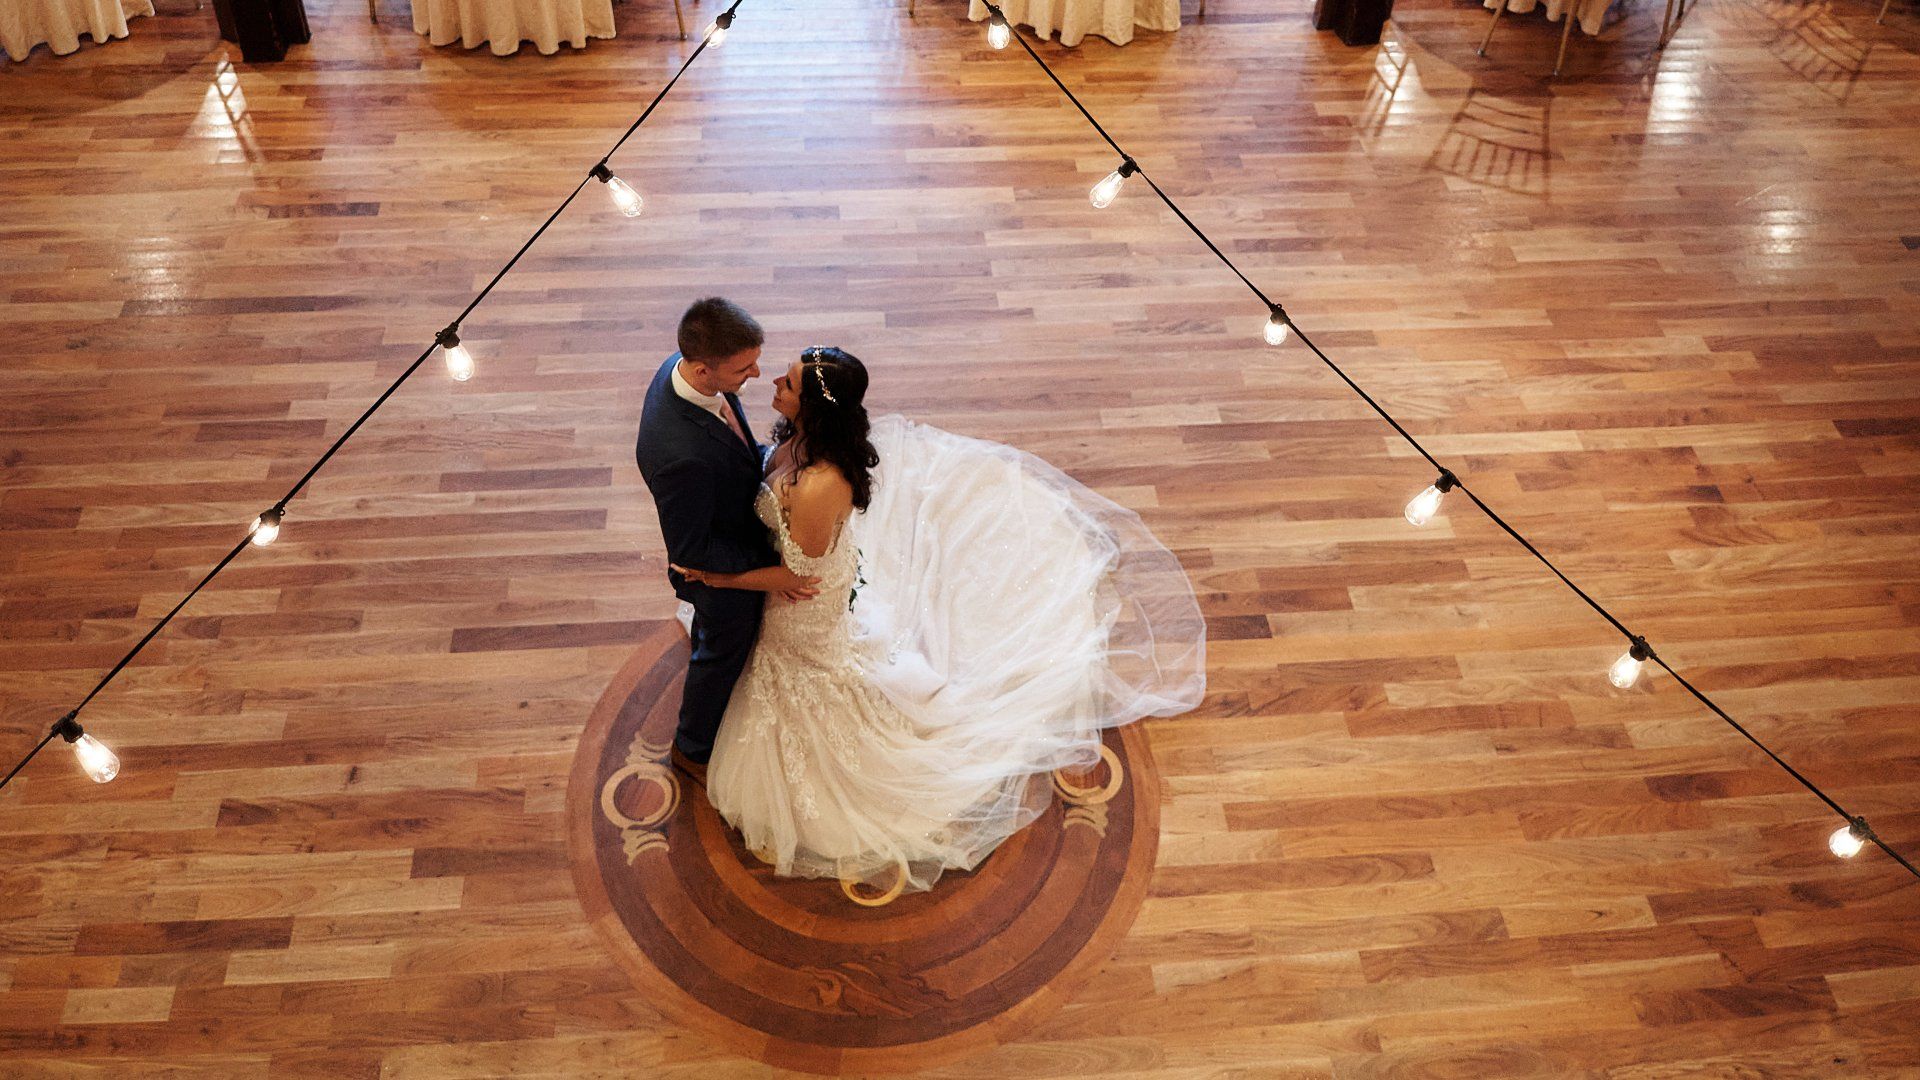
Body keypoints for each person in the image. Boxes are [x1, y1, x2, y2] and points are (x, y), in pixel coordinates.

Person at [669, 345, 1206, 895]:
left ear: (815, 410)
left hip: (803, 604)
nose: (773, 386)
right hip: (809, 581)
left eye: (787, 383)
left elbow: (794, 580)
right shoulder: (798, 440)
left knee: (802, 671)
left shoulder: (819, 485)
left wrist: (716, 578)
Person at [634, 298, 818, 778]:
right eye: (744, 367)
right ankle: (692, 748)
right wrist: (767, 572)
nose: (758, 374)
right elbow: (692, 551)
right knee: (719, 654)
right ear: (700, 371)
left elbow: (734, 447)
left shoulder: (680, 372)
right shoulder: (681, 458)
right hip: (718, 571)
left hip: (730, 511)